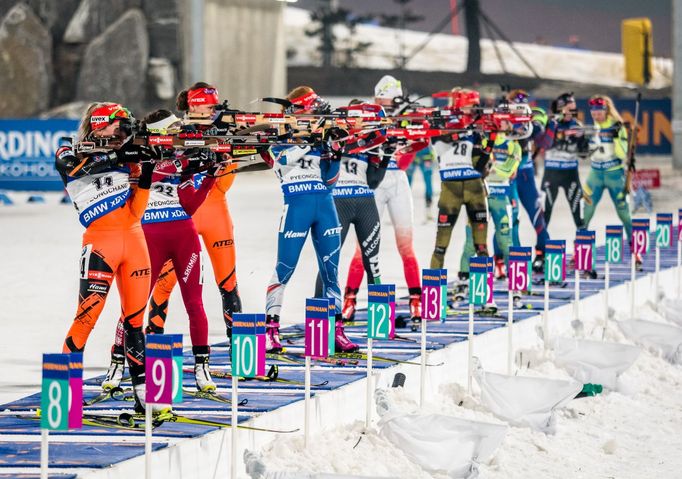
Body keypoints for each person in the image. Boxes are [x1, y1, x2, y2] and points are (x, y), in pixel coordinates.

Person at [104, 110, 220, 393]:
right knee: (133, 307)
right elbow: (146, 171)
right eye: (173, 129)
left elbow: (189, 205)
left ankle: (202, 368)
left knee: (195, 303)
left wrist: (208, 177)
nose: (178, 133)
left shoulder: (179, 159)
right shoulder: (137, 154)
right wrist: (179, 163)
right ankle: (117, 365)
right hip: (148, 238)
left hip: (183, 234)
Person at [56, 102, 161, 410]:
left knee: (134, 323)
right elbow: (72, 168)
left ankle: (143, 397)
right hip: (100, 246)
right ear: (100, 124)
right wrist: (118, 156)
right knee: (85, 319)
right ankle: (65, 397)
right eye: (120, 127)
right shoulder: (68, 151)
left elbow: (136, 213)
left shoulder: (128, 159)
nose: (124, 133)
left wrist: (146, 170)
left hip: (135, 243)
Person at [262, 86, 358, 353]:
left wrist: (335, 150)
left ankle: (336, 330)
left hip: (325, 206)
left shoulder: (318, 138)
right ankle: (271, 330)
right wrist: (310, 139)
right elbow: (280, 158)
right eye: (312, 111)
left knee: (331, 272)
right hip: (296, 206)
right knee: (284, 268)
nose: (317, 116)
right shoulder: (278, 135)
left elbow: (329, 181)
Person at [343, 75, 423, 326]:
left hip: (397, 179)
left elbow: (422, 141)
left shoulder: (406, 116)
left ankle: (416, 300)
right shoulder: (370, 115)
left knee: (406, 246)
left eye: (389, 103)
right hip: (373, 181)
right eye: (381, 102)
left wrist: (405, 146)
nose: (385, 107)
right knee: (362, 249)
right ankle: (350, 300)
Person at [315, 101, 387, 302]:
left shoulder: (370, 142)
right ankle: (319, 316)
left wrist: (386, 155)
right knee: (329, 261)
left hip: (365, 202)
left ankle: (378, 315)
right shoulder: (334, 134)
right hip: (338, 202)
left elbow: (373, 181)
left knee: (372, 261)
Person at [429, 88, 492, 285]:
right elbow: (440, 140)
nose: (474, 109)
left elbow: (481, 166)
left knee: (481, 245)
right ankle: (434, 294)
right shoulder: (440, 121)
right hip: (450, 188)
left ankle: (485, 295)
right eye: (471, 105)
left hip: (474, 187)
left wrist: (490, 139)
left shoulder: (475, 127)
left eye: (475, 106)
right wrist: (464, 129)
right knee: (441, 246)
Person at [582, 95, 639, 267]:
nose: (596, 115)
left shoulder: (617, 125)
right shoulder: (592, 127)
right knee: (585, 213)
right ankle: (581, 251)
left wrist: (616, 137)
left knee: (624, 214)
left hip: (614, 174)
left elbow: (622, 154)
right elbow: (585, 154)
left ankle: (635, 250)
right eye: (593, 112)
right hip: (595, 174)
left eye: (599, 112)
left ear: (606, 110)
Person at [462, 115, 521, 280]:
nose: (499, 123)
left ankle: (515, 280)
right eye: (496, 120)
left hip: (501, 196)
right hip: (478, 196)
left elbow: (508, 171)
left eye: (503, 121)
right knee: (471, 242)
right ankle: (464, 278)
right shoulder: (481, 141)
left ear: (509, 123)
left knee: (505, 240)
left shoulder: (513, 145)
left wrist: (490, 167)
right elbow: (471, 165)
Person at [505, 90, 550, 272]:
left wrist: (525, 122)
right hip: (507, 177)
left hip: (525, 174)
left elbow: (537, 129)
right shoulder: (501, 115)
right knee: (510, 219)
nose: (519, 108)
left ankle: (543, 255)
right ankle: (511, 262)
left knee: (537, 215)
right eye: (516, 104)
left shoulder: (536, 114)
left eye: (523, 104)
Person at [539, 92, 588, 231]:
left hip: (570, 174)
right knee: (544, 214)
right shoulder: (549, 123)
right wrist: (559, 136)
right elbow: (543, 144)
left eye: (574, 109)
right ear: (560, 108)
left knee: (579, 214)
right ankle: (541, 250)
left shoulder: (577, 125)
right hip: (551, 173)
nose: (571, 113)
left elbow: (584, 154)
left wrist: (582, 140)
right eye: (569, 109)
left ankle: (582, 247)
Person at [406, 144, 435, 222]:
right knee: (407, 181)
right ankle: (402, 210)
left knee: (407, 182)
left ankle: (428, 209)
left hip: (418, 151)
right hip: (418, 151)